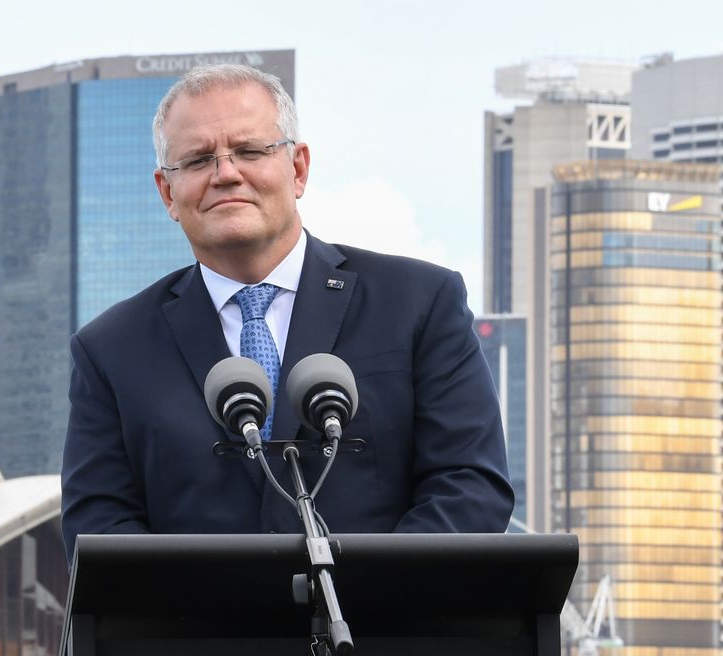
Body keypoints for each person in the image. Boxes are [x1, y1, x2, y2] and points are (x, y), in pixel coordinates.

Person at [63, 65, 512, 541]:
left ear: (297, 168)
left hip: (384, 614)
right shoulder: (112, 350)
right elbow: (99, 528)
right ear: (167, 192)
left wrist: (363, 601)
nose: (226, 174)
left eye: (250, 151)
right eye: (197, 161)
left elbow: (469, 489)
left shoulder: (419, 303)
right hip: (200, 616)